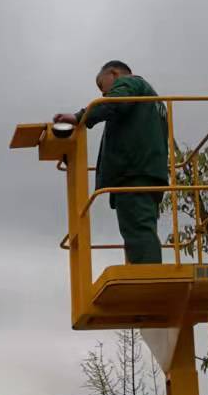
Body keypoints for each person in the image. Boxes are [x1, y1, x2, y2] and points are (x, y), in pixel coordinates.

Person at [55, 61, 169, 264]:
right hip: (149, 172)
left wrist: (79, 116)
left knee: (138, 230)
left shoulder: (130, 84)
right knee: (141, 228)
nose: (103, 93)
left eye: (102, 86)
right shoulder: (154, 102)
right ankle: (144, 271)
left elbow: (114, 103)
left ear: (114, 74)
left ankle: (147, 276)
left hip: (133, 174)